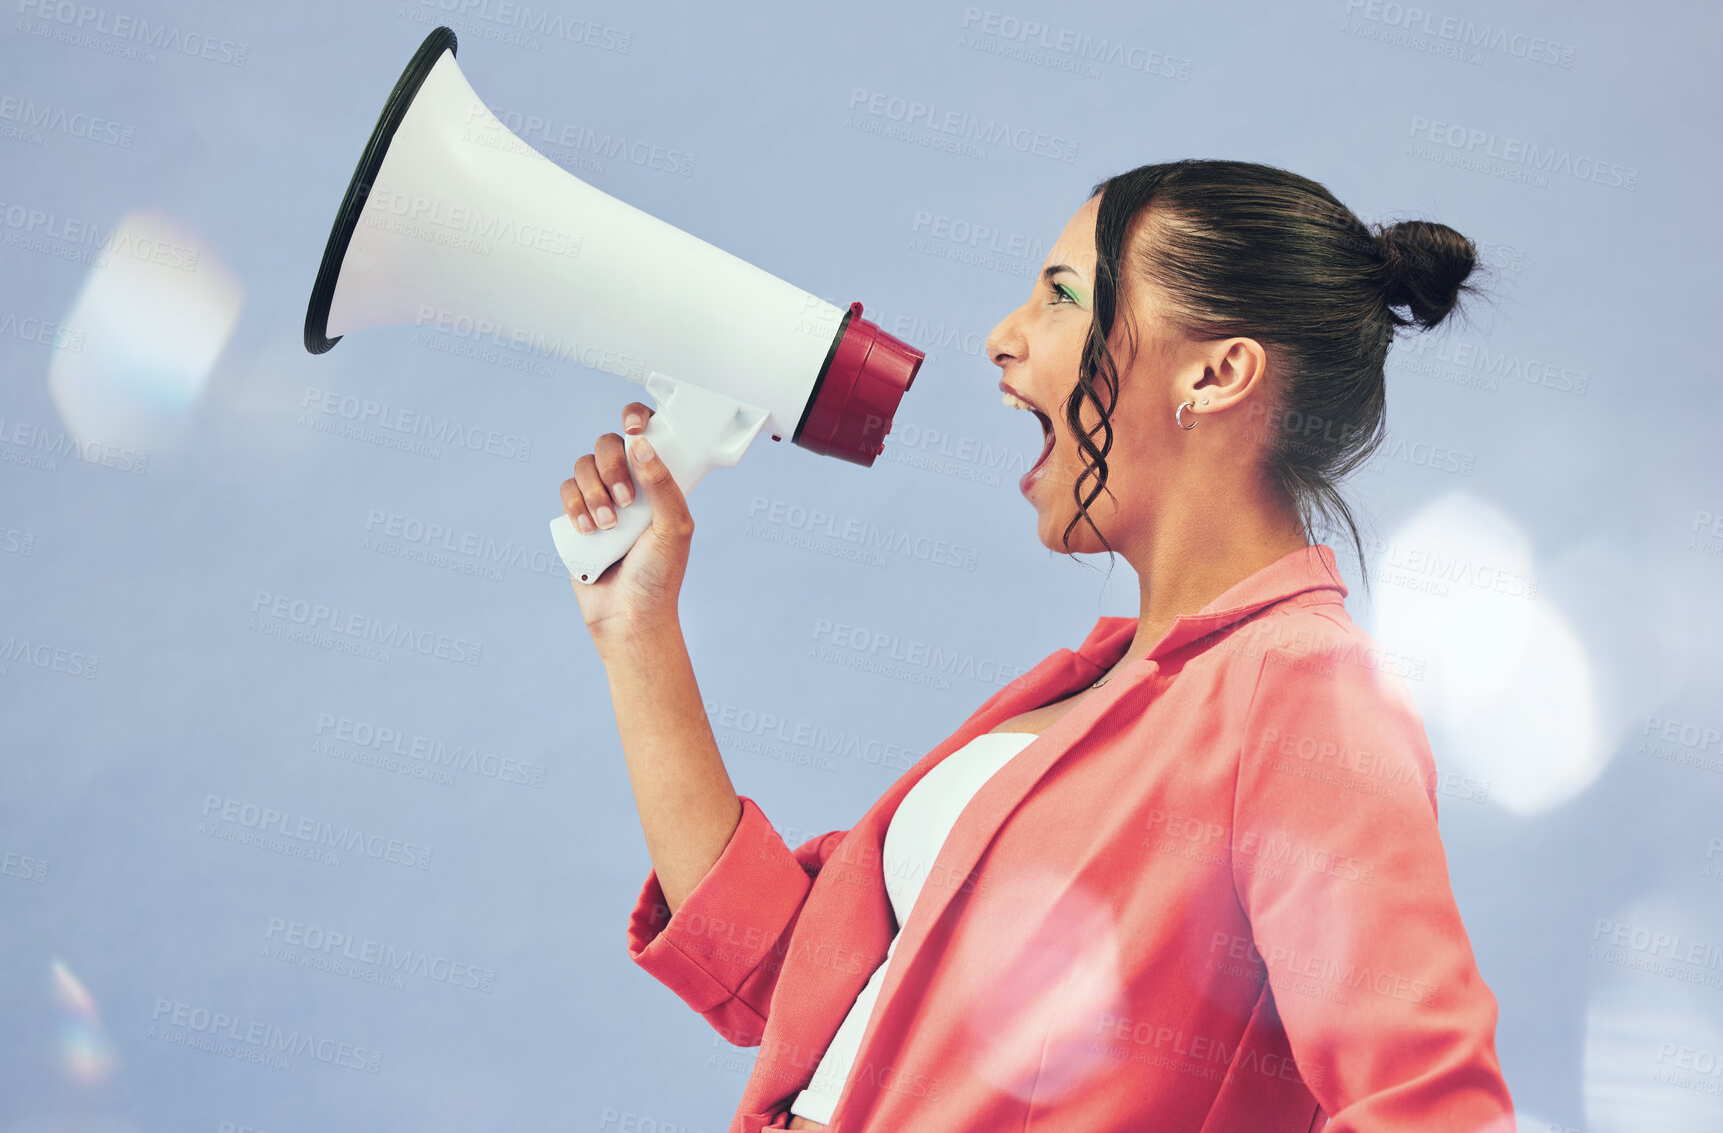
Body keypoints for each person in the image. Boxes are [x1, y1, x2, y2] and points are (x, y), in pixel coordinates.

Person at [560, 160, 1516, 1132]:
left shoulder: (1301, 689)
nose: (1001, 337)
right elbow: (792, 973)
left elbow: (1426, 1109)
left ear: (1215, 372)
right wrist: (636, 626)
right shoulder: (1094, 692)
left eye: (1061, 294)